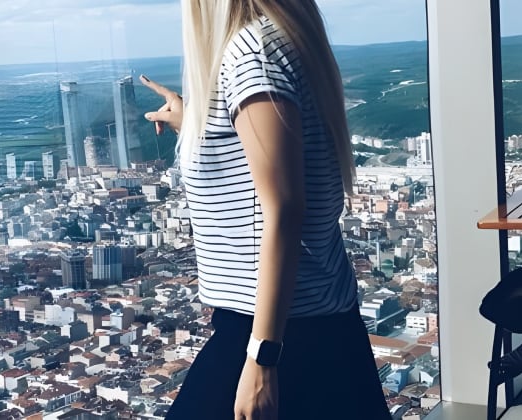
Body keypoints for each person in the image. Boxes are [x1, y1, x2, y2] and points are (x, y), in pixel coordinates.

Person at [140, 1, 392, 419]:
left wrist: (262, 359)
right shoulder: (280, 38)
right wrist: (200, 121)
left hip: (275, 328)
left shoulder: (251, 54)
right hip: (318, 320)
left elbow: (285, 209)